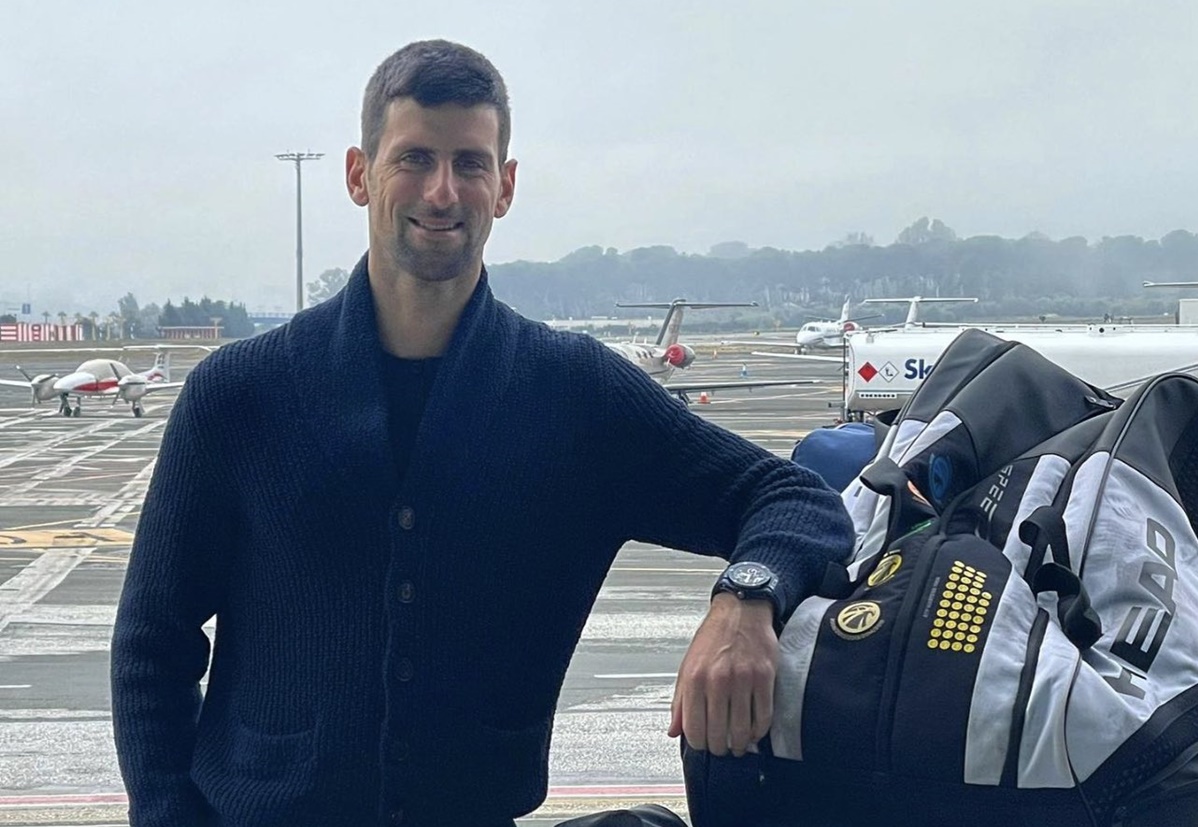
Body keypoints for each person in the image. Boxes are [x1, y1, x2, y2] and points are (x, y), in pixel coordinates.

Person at [110, 39, 854, 827]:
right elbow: (153, 643)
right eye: (414, 158)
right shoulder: (238, 397)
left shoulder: (574, 396)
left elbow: (793, 498)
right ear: (359, 174)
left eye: (469, 163)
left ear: (505, 186)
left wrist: (747, 597)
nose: (442, 190)